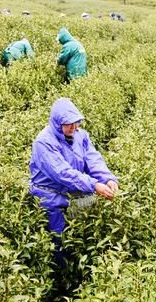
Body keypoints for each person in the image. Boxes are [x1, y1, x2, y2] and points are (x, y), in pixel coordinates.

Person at [29, 98, 118, 268]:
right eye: (68, 124)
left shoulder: (80, 136)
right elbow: (62, 173)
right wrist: (94, 185)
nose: (74, 127)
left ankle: (77, 268)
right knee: (58, 242)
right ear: (57, 123)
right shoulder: (44, 142)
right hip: (50, 197)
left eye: (76, 122)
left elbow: (93, 160)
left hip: (72, 193)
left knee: (77, 235)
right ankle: (60, 276)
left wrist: (107, 178)